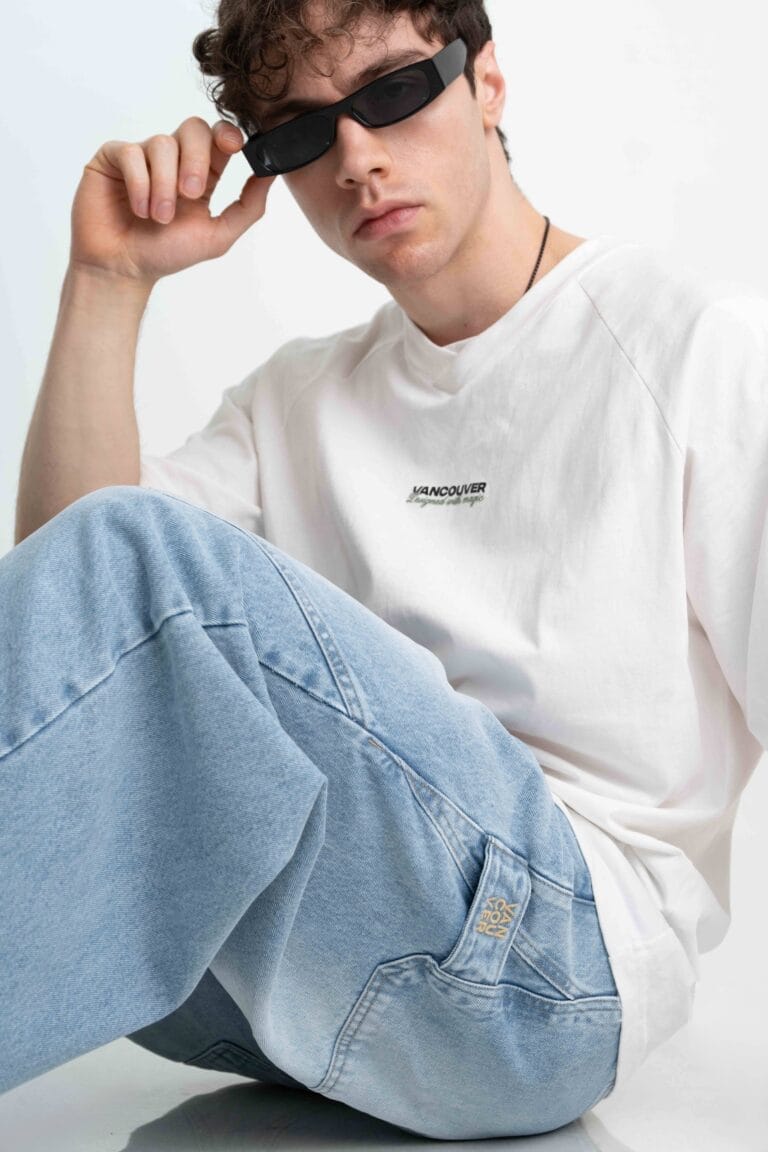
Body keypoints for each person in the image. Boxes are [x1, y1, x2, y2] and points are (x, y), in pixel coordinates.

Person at [3, 0, 767, 1139]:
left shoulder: (697, 346)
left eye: (395, 92)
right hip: (285, 995)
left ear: (486, 82)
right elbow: (75, 635)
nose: (356, 159)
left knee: (153, 556)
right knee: (127, 569)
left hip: (548, 973)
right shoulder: (294, 401)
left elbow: (124, 570)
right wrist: (107, 283)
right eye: (304, 133)